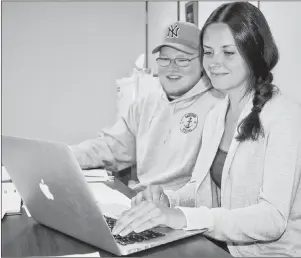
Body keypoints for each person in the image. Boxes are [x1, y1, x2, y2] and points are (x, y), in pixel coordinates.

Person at [112, 2, 301, 256]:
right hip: (222, 249)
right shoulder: (216, 114)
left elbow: (273, 219)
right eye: (208, 52)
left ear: (253, 53)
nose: (214, 63)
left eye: (228, 53)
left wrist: (184, 217)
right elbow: (202, 190)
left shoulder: (284, 116)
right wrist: (168, 201)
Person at [71, 21, 223, 192]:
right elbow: (110, 147)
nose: (172, 68)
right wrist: (67, 156)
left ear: (203, 62)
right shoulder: (145, 105)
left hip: (181, 211)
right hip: (139, 202)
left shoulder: (218, 106)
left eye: (182, 59)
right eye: (165, 59)